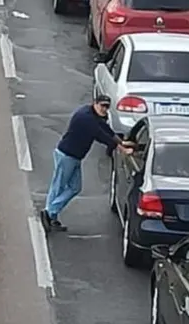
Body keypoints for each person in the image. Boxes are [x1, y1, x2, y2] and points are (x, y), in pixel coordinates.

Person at [40, 96, 130, 233]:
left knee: (74, 187)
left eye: (107, 107)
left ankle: (51, 213)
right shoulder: (86, 118)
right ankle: (49, 213)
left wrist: (121, 141)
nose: (104, 109)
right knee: (59, 186)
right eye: (102, 106)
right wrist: (122, 149)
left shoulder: (93, 115)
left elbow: (106, 130)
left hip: (75, 157)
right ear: (94, 104)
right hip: (67, 155)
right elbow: (101, 135)